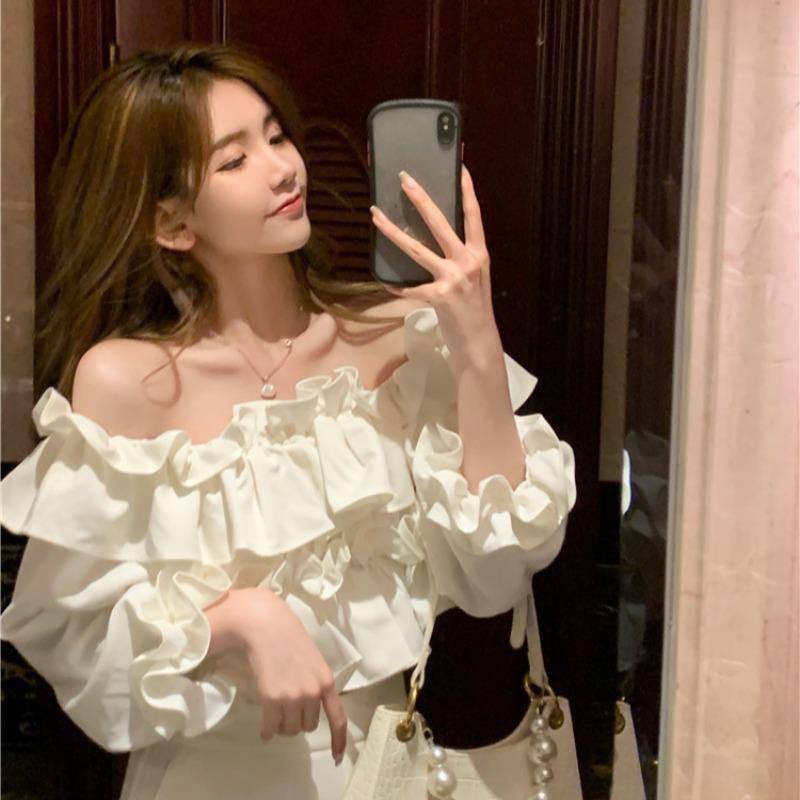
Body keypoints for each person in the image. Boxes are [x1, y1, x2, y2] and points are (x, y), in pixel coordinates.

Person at [0, 42, 578, 800]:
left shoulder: (394, 338)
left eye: (277, 136)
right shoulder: (127, 378)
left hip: (383, 776)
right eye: (235, 159)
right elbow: (78, 639)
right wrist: (237, 618)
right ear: (172, 223)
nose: (283, 169)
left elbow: (497, 579)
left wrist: (475, 339)